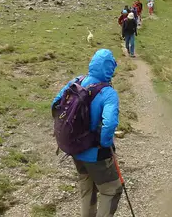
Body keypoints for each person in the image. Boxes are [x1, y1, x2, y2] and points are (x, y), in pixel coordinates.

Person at [52, 49, 122, 217]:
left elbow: (55, 105)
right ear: (110, 68)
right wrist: (104, 144)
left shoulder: (77, 81)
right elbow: (110, 123)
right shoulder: (108, 93)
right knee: (111, 190)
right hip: (96, 154)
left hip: (73, 148)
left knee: (87, 188)